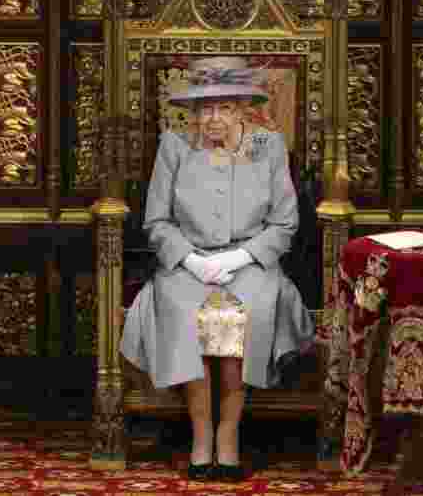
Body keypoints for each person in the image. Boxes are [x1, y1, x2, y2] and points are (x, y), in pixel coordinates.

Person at [120, 56, 314, 482]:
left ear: (244, 107)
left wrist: (237, 259)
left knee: (246, 315)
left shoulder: (269, 147)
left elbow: (285, 224)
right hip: (185, 262)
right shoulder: (174, 146)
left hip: (250, 262)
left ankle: (228, 434)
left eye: (224, 108)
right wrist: (191, 260)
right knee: (182, 312)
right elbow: (156, 221)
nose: (213, 119)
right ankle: (201, 434)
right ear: (192, 111)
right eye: (204, 108)